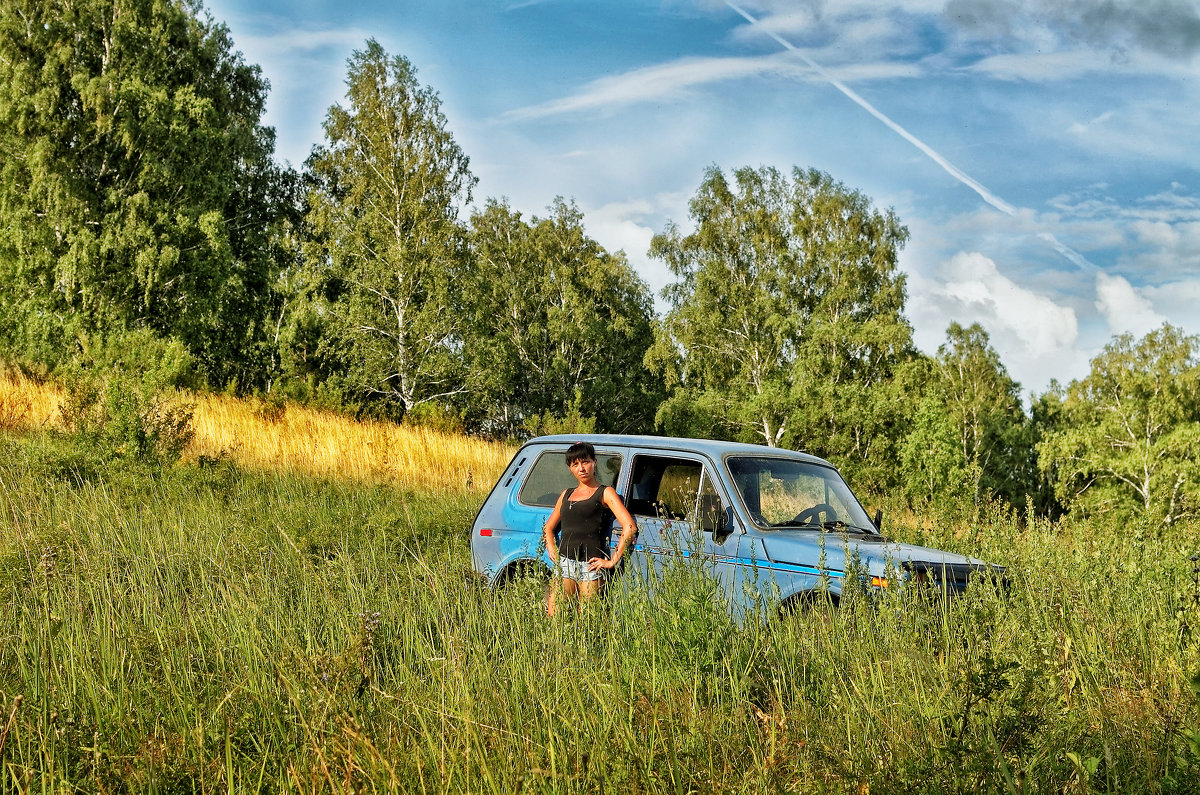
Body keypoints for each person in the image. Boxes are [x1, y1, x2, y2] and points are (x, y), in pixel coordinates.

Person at [542, 441, 637, 615]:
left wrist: (612, 561)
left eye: (585, 461)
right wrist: (550, 546)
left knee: (586, 624)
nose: (581, 468)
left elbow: (630, 527)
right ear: (570, 468)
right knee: (554, 618)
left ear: (594, 462)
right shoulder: (566, 494)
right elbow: (548, 527)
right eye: (575, 464)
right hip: (565, 565)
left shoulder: (605, 492)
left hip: (591, 568)